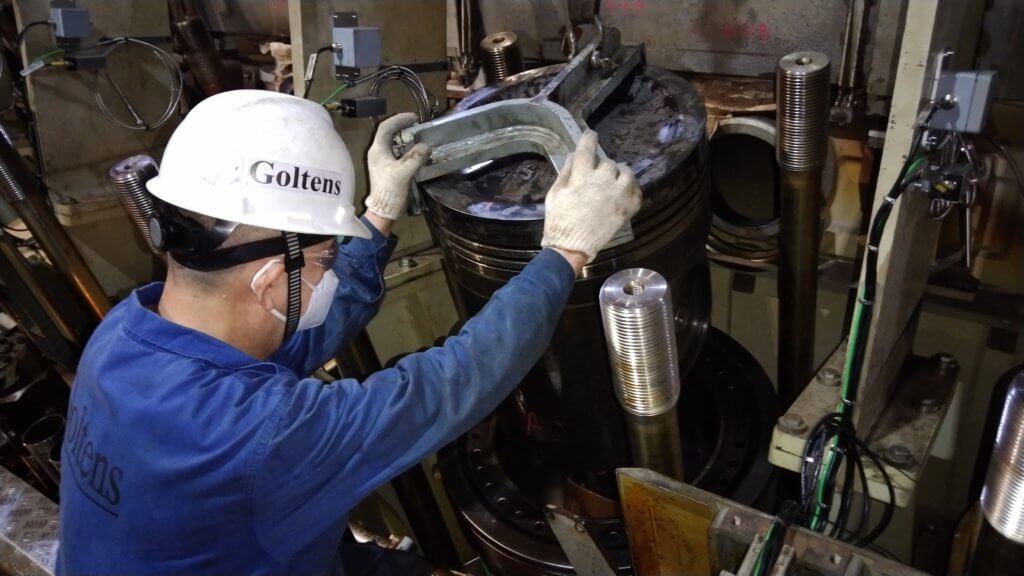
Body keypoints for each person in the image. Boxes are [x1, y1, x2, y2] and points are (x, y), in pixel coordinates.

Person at [57, 90, 641, 575]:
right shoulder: (262, 438)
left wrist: (379, 211)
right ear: (267, 281)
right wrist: (566, 250)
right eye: (326, 259)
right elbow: (447, 386)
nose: (332, 271)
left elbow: (289, 342)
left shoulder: (128, 331)